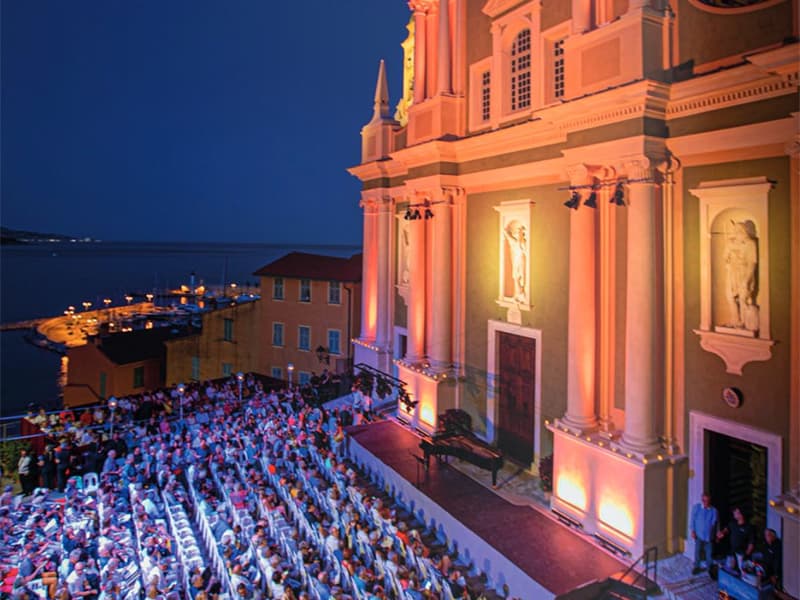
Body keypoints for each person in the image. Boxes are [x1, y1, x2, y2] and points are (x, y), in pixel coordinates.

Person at [690, 493, 718, 574]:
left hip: (708, 536)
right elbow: (692, 520)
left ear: (709, 501)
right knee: (697, 551)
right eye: (703, 500)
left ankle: (710, 567)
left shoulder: (713, 510)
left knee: (709, 552)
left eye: (707, 500)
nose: (705, 502)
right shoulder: (697, 508)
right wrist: (693, 531)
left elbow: (714, 523)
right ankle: (697, 567)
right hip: (699, 534)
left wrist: (714, 535)